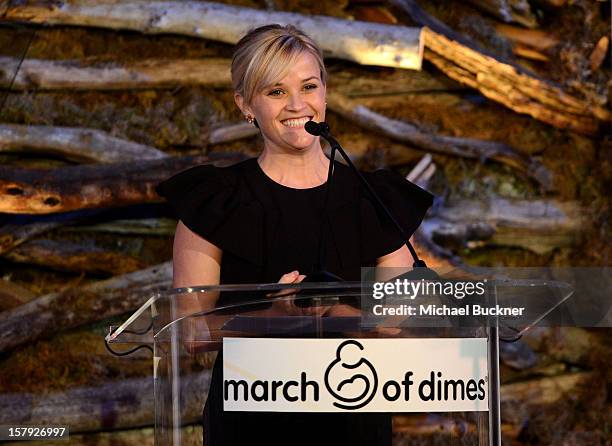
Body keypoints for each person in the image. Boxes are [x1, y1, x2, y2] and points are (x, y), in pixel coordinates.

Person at [156, 24, 433, 446]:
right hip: (253, 420)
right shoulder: (215, 201)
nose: (297, 105)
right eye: (276, 92)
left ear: (324, 93)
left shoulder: (375, 200)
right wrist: (275, 318)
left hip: (353, 415)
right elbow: (189, 333)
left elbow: (394, 327)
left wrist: (332, 314)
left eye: (308, 86)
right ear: (245, 105)